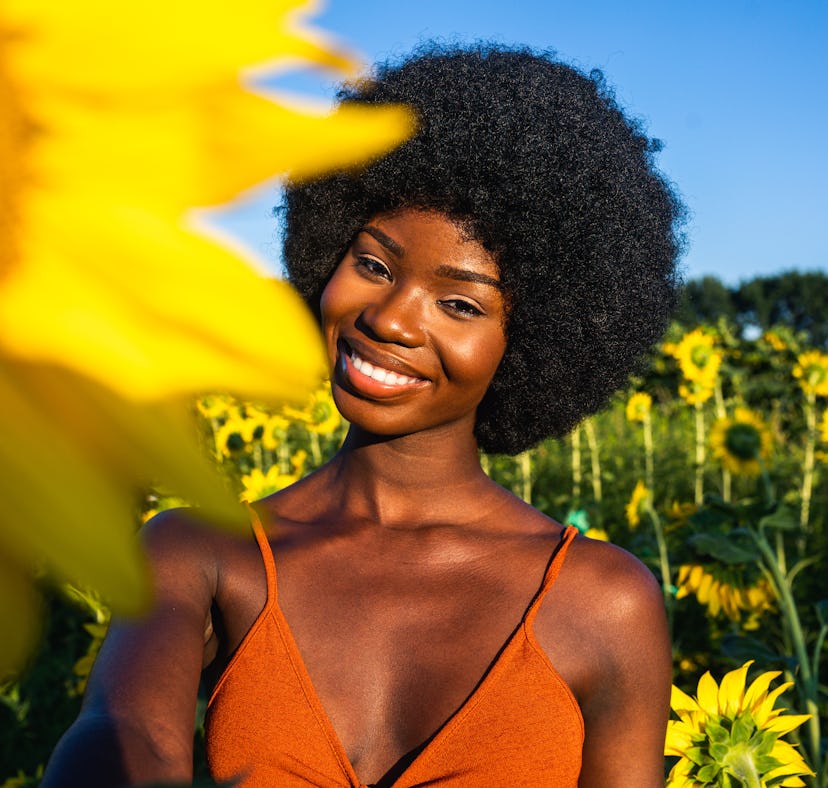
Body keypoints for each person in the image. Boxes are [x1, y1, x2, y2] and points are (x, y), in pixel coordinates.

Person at [43, 43, 683, 787]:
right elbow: (123, 738)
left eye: (459, 304)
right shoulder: (199, 554)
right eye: (374, 265)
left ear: (536, 338)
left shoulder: (605, 603)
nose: (391, 319)